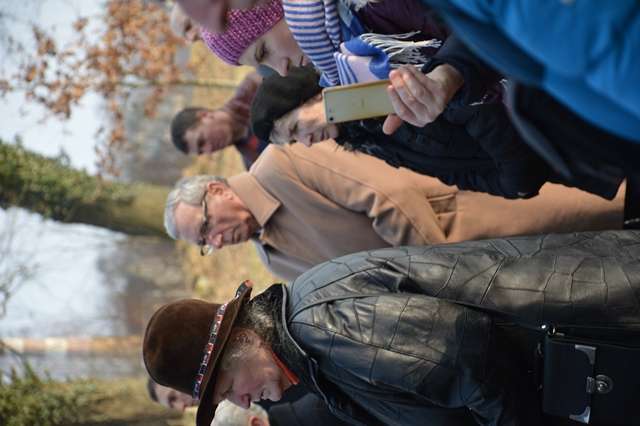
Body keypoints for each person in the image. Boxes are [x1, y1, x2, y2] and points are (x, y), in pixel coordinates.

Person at [143, 230, 640, 426]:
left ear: (243, 339)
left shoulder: (318, 325)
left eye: (229, 388)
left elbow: (471, 360)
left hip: (601, 340)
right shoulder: (310, 345)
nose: (243, 400)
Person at [164, 136, 624, 282]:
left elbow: (387, 196)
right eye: (204, 243)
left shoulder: (278, 164)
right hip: (484, 280)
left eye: (206, 227)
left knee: (613, 208)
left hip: (475, 222)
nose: (216, 240)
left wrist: (445, 274)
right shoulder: (272, 261)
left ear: (217, 191)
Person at [252, 66, 552, 200]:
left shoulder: (379, 87)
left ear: (311, 96)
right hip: (545, 166)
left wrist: (517, 176)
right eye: (294, 141)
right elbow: (450, 173)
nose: (305, 141)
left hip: (545, 125)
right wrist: (512, 186)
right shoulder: (363, 138)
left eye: (295, 128)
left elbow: (477, 109)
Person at [171, 71, 267, 168]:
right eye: (202, 152)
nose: (209, 150)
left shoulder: (253, 86)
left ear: (205, 115)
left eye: (201, 141)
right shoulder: (254, 165)